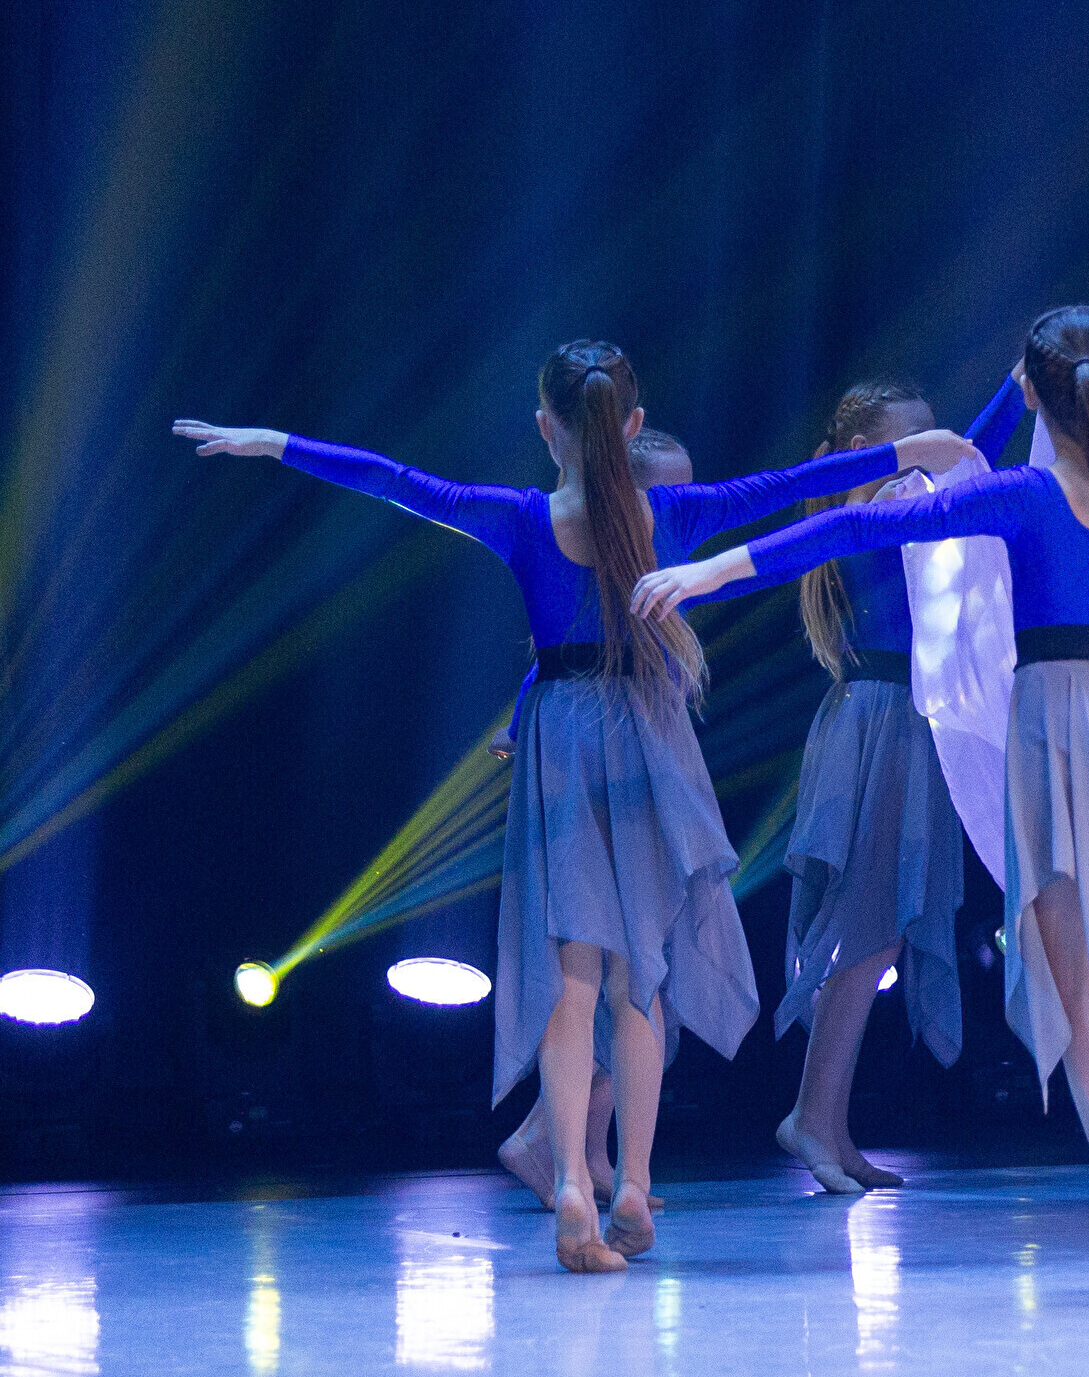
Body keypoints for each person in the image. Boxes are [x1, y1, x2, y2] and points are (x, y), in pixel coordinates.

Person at [175, 343, 979, 1272]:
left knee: (575, 977)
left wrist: (273, 442)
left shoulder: (521, 518)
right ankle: (630, 1182)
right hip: (645, 742)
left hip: (561, 740)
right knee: (642, 973)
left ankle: (569, 1183)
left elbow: (395, 481)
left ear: (546, 428)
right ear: (631, 428)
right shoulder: (676, 512)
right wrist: (918, 452)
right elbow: (803, 482)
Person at [637, 307, 1089, 1295]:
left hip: (1063, 735)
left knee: (1081, 988)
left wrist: (716, 566)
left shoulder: (1025, 496)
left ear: (1033, 400)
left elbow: (861, 522)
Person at [761, 371, 1024, 1194]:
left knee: (878, 929)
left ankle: (829, 1124)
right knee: (870, 927)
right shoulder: (874, 509)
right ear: (862, 452)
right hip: (882, 722)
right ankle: (812, 1117)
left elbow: (964, 461)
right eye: (914, 441)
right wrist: (1013, 394)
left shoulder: (898, 505)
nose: (932, 452)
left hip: (894, 717)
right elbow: (970, 457)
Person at [491, 424, 698, 1212]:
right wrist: (521, 724)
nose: (677, 506)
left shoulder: (661, 565)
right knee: (618, 971)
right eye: (666, 493)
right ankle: (557, 1146)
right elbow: (557, 660)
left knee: (635, 974)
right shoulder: (601, 555)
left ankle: (584, 1153)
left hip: (636, 771)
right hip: (603, 773)